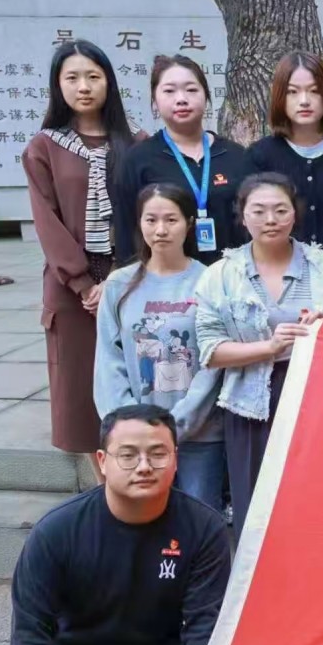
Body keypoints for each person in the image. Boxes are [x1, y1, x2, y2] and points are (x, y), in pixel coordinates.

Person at [10, 404, 231, 645]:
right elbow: (30, 633)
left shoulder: (203, 528)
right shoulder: (57, 532)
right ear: (103, 461)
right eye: (128, 455)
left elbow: (204, 627)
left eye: (158, 453)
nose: (144, 466)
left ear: (175, 458)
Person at [194, 173, 323, 539]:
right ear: (242, 215)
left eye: (281, 210)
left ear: (295, 213)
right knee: (255, 501)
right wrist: (269, 347)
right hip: (250, 402)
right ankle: (257, 572)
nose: (270, 219)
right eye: (259, 211)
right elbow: (210, 351)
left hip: (316, 400)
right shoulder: (222, 275)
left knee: (316, 498)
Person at [23, 40, 138, 469]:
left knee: (136, 385)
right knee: (84, 396)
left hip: (130, 279)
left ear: (109, 81)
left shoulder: (135, 142)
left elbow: (143, 214)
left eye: (93, 76)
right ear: (58, 85)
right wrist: (84, 283)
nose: (83, 87)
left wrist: (119, 275)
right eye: (71, 78)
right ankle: (107, 489)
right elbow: (46, 221)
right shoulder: (43, 147)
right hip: (72, 292)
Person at [95, 184, 223, 511]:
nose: (161, 230)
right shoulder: (120, 283)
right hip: (135, 437)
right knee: (141, 518)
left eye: (171, 220)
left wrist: (175, 424)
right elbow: (109, 359)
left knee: (198, 518)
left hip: (198, 434)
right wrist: (129, 424)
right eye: (151, 220)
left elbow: (214, 361)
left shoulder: (210, 280)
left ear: (189, 224)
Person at [114, 55, 253, 266]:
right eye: (169, 91)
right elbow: (126, 233)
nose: (181, 99)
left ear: (206, 96)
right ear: (155, 101)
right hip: (167, 279)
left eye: (191, 89)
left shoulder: (236, 156)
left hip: (232, 276)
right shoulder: (137, 160)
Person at [250, 51, 323, 262]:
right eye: (293, 92)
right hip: (279, 273)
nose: (304, 101)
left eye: (314, 91)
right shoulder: (260, 156)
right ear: (280, 97)